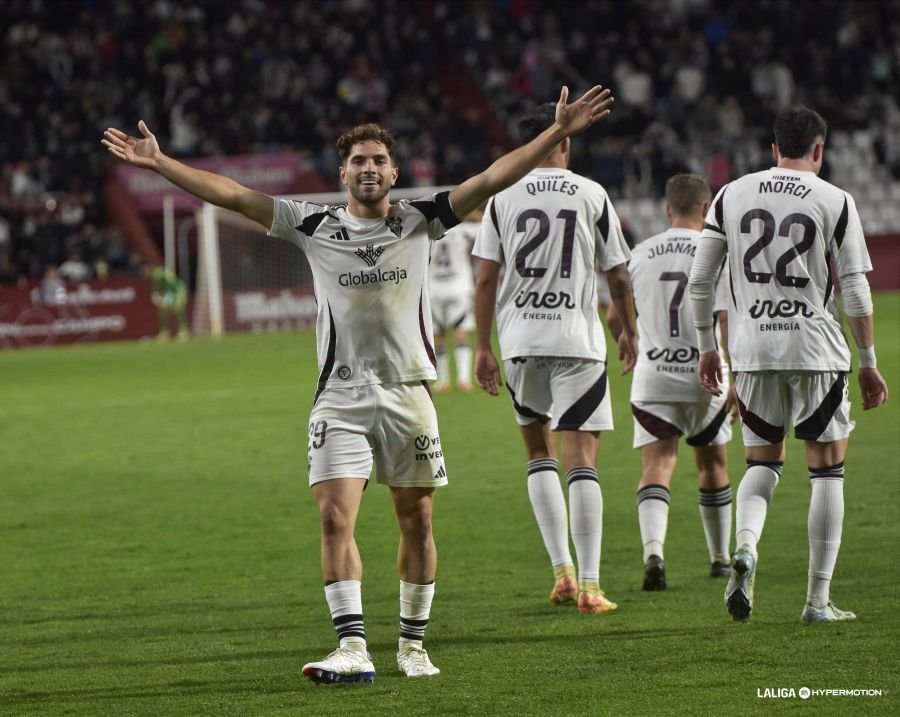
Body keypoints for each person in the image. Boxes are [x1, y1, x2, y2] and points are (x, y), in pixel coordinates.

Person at [103, 84, 614, 680]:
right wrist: (161, 163)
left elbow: (494, 177)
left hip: (408, 394)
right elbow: (235, 196)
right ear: (342, 173)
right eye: (358, 161)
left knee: (417, 522)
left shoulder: (423, 219)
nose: (368, 169)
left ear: (393, 171)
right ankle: (351, 646)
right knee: (332, 517)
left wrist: (555, 134)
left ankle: (412, 644)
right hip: (339, 399)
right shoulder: (311, 223)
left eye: (378, 160)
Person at [688, 106, 889, 624]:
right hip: (816, 350)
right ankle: (816, 602)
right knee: (827, 471)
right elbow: (857, 291)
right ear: (818, 150)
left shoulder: (731, 194)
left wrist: (708, 346)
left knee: (761, 462)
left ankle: (747, 547)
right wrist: (868, 361)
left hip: (752, 351)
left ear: (773, 147)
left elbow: (700, 282)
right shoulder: (835, 199)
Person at [473, 102, 638, 614]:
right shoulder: (592, 193)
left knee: (538, 453)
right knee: (582, 459)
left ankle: (562, 573)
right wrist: (629, 330)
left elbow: (484, 278)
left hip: (521, 342)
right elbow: (618, 274)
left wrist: (482, 346)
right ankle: (590, 586)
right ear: (564, 141)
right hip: (577, 341)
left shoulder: (501, 198)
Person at [607, 173, 734, 591]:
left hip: (654, 377)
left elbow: (614, 316)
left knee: (657, 464)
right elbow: (727, 316)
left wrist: (629, 342)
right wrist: (735, 369)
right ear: (706, 209)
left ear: (667, 209)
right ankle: (719, 558)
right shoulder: (715, 251)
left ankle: (654, 554)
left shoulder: (640, 253)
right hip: (707, 378)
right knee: (712, 464)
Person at [429, 208, 481, 392]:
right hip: (459, 288)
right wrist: (472, 212)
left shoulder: (428, 231)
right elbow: (487, 227)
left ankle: (443, 381)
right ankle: (464, 379)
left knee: (439, 336)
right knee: (461, 333)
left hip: (434, 288)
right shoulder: (462, 229)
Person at [148, 265, 189, 341]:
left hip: (178, 291)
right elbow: (157, 289)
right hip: (169, 293)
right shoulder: (152, 279)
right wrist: (158, 296)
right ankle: (164, 332)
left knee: (178, 309)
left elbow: (172, 281)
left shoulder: (159, 273)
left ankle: (183, 331)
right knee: (163, 311)